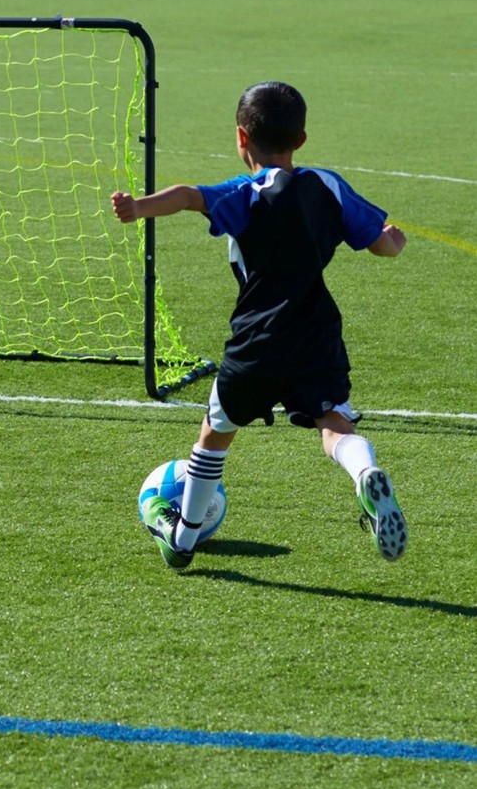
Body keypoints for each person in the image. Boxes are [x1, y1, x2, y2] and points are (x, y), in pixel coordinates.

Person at [111, 81, 408, 570]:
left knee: (214, 433)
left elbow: (188, 197)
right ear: (302, 139)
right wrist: (393, 243)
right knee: (333, 424)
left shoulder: (245, 194)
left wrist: (139, 208)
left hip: (256, 339)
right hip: (316, 332)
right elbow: (379, 242)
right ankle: (364, 473)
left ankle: (183, 539)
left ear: (241, 138)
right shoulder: (328, 187)